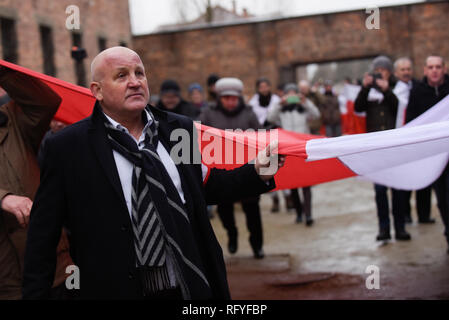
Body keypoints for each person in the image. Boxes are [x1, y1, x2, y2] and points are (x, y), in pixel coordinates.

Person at [22, 47, 283, 299]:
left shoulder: (178, 130)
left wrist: (258, 171)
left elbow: (206, 187)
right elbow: (43, 232)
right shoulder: (67, 147)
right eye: (122, 75)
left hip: (187, 285)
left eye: (140, 73)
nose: (135, 82)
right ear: (97, 91)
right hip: (114, 288)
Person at [0, 65, 72, 299]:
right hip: (6, 280)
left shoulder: (12, 120)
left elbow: (46, 102)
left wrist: (3, 72)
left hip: (54, 268)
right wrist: (3, 197)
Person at [199, 77, 267, 259]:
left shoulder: (249, 113)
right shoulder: (208, 114)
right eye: (226, 98)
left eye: (234, 98)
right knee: (224, 210)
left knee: (252, 211)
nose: (231, 102)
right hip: (221, 173)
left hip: (248, 170)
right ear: (219, 97)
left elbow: (261, 138)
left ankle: (257, 245)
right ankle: (232, 233)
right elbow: (196, 135)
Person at [354, 55, 411, 242]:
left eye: (383, 70)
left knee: (398, 190)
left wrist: (387, 91)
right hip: (376, 147)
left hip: (395, 146)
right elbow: (358, 108)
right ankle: (384, 229)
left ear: (389, 72)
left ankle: (400, 227)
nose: (380, 73)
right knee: (380, 191)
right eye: (376, 70)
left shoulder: (398, 88)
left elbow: (400, 109)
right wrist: (364, 87)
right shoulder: (369, 90)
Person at [405, 55, 449, 253]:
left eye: (438, 67)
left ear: (444, 68)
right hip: (434, 156)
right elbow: (412, 123)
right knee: (443, 199)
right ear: (425, 70)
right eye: (430, 67)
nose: (434, 71)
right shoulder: (417, 92)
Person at [267, 82, 321, 226]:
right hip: (288, 149)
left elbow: (316, 114)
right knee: (293, 183)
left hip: (304, 148)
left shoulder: (304, 108)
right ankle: (298, 213)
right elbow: (270, 118)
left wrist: (305, 101)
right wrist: (280, 103)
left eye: (293, 93)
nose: (291, 96)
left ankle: (308, 214)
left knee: (307, 183)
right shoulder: (281, 110)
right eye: (288, 93)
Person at [393, 57, 433, 225]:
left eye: (408, 69)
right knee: (405, 179)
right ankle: (406, 214)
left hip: (420, 139)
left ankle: (424, 214)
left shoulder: (420, 88)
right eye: (402, 70)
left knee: (424, 177)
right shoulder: (392, 93)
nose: (406, 72)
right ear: (396, 73)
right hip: (401, 140)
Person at [247, 78, 283, 213]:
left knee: (279, 165)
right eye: (261, 87)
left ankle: (287, 194)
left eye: (266, 86)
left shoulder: (277, 100)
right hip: (261, 137)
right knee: (267, 167)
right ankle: (274, 197)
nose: (264, 89)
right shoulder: (252, 103)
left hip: (277, 135)